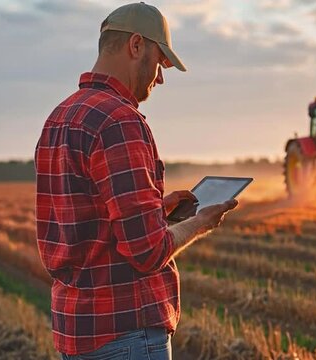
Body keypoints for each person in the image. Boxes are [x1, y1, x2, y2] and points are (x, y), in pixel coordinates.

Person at [34, 3, 237, 359]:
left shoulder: (60, 117)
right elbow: (146, 250)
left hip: (76, 331)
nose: (160, 78)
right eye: (161, 62)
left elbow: (86, 222)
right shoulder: (120, 121)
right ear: (136, 46)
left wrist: (156, 207)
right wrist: (200, 223)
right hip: (125, 334)